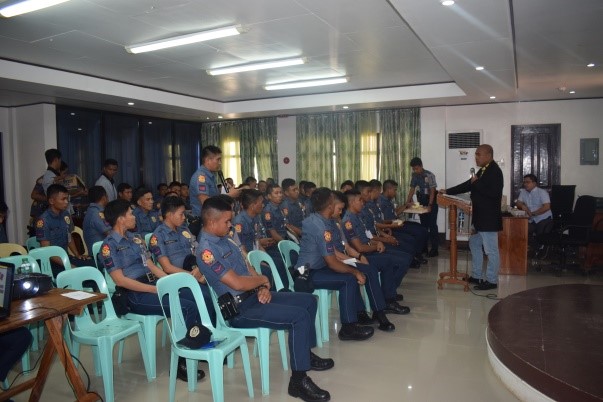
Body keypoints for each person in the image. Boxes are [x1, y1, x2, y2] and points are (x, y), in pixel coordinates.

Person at [197, 196, 333, 402]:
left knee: (309, 301)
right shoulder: (207, 250)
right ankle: (298, 381)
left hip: (253, 296)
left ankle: (304, 354)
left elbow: (247, 266)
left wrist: (261, 287)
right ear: (212, 221)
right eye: (226, 221)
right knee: (298, 317)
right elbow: (236, 283)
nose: (230, 224)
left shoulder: (227, 239)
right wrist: (262, 280)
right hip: (240, 309)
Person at [100, 199, 204, 382]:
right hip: (134, 294)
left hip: (153, 285)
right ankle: (181, 363)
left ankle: (195, 346)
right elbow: (120, 280)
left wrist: (168, 283)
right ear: (121, 218)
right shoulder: (109, 246)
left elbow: (152, 266)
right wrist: (154, 290)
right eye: (130, 213)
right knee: (186, 307)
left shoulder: (136, 238)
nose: (134, 217)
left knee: (192, 296)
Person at [296, 187, 376, 341]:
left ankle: (354, 320)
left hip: (316, 268)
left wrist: (353, 267)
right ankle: (348, 328)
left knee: (349, 276)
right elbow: (332, 262)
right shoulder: (321, 227)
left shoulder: (321, 220)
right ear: (330, 206)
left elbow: (332, 254)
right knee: (348, 279)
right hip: (305, 274)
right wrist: (355, 271)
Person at [441, 144, 503, 291]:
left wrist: (477, 183)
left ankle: (492, 280)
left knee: (491, 250)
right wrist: (448, 191)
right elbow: (468, 185)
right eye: (475, 154)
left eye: (478, 154)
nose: (476, 157)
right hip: (480, 218)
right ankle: (476, 275)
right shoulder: (484, 170)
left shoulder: (495, 171)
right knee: (474, 243)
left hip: (488, 219)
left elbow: (494, 193)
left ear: (488, 155)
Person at [149, 196, 216, 324]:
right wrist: (192, 276)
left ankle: (220, 326)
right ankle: (206, 329)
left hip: (196, 270)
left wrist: (200, 269)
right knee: (205, 297)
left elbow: (199, 252)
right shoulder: (158, 236)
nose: (184, 217)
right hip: (178, 280)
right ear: (169, 215)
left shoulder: (184, 229)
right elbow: (167, 267)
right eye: (181, 214)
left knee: (220, 286)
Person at [341, 189, 412, 307]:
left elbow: (367, 237)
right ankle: (388, 298)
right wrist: (376, 246)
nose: (362, 202)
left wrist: (378, 242)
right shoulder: (348, 221)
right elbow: (359, 248)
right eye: (360, 200)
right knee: (393, 261)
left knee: (405, 257)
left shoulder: (357, 216)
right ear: (352, 202)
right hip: (361, 256)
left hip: (369, 249)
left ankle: (388, 292)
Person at [36, 184, 92, 277]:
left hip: (65, 258)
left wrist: (77, 255)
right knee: (82, 274)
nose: (66, 202)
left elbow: (69, 237)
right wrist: (68, 265)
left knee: (93, 265)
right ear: (51, 201)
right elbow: (46, 251)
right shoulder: (44, 220)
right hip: (51, 263)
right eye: (63, 199)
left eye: (67, 198)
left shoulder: (65, 214)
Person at [189, 146, 241, 232]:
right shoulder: (201, 177)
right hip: (202, 222)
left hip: (211, 219)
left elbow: (213, 197)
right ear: (208, 160)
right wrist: (228, 196)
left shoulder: (210, 176)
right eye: (218, 159)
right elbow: (205, 202)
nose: (220, 163)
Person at [232, 189, 276, 285]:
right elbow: (241, 250)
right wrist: (256, 262)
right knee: (266, 271)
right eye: (261, 203)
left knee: (275, 263)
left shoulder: (255, 217)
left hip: (255, 254)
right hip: (246, 260)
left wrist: (267, 259)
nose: (263, 205)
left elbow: (257, 243)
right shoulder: (239, 222)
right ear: (253, 206)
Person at [405, 158, 440, 256]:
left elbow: (432, 191)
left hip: (431, 201)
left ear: (421, 166)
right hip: (422, 200)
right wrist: (407, 202)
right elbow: (412, 189)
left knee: (432, 225)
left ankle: (434, 249)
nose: (415, 171)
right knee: (423, 226)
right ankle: (424, 248)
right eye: (413, 169)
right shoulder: (415, 175)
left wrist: (430, 205)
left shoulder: (429, 175)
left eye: (416, 168)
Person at [260, 184, 291, 287]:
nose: (280, 195)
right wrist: (286, 245)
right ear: (269, 196)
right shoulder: (268, 211)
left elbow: (286, 227)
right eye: (276, 193)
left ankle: (294, 282)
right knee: (286, 258)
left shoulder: (280, 208)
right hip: (274, 244)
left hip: (283, 240)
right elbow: (273, 234)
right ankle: (284, 287)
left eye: (281, 192)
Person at [515, 174, 552, 248]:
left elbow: (547, 207)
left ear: (534, 183)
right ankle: (531, 248)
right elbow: (518, 203)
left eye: (527, 182)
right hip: (531, 219)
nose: (525, 184)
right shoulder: (523, 192)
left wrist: (533, 213)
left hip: (543, 218)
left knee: (540, 237)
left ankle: (540, 250)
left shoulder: (542, 192)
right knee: (521, 230)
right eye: (524, 182)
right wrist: (522, 206)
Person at [83, 186, 111, 256]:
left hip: (103, 250)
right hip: (100, 253)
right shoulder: (97, 213)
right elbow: (109, 233)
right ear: (104, 198)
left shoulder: (92, 210)